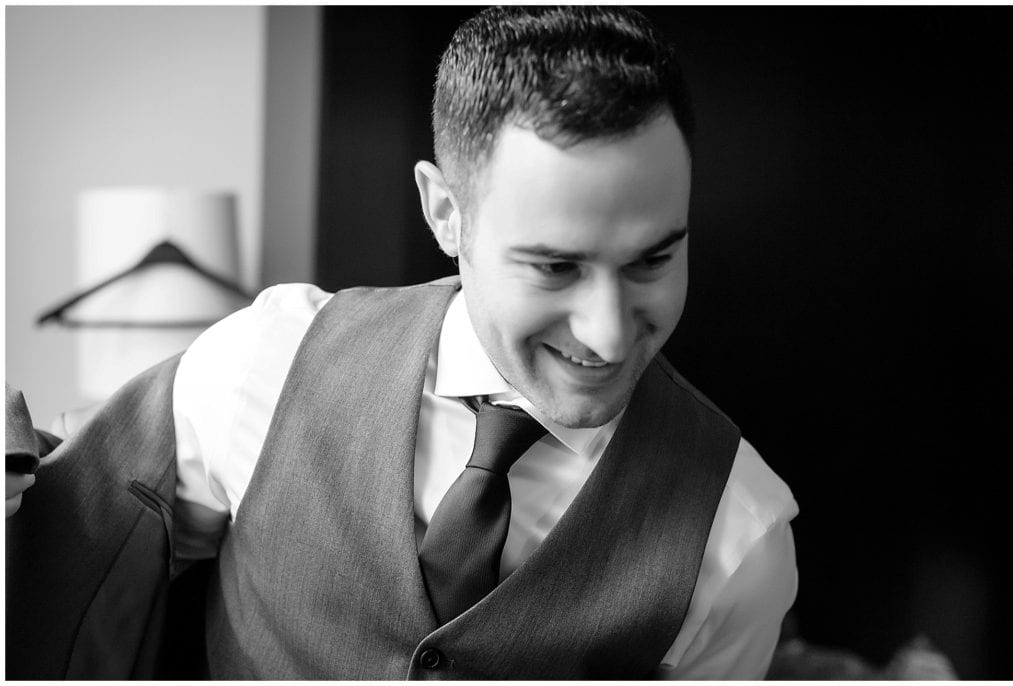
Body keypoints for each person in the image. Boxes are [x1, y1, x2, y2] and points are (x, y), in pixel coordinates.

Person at [7, 6, 797, 679]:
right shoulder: (263, 366)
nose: (610, 330)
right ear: (446, 212)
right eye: (555, 266)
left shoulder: (740, 539)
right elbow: (62, 553)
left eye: (652, 260)